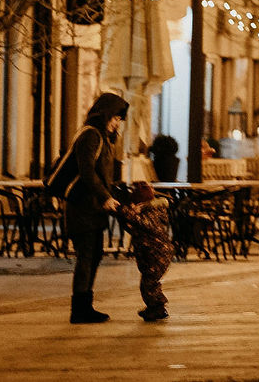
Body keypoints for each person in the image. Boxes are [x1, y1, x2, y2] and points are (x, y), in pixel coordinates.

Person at [56, 92, 129, 323]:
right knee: (86, 255)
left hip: (94, 208)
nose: (117, 123)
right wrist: (105, 197)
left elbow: (103, 175)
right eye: (115, 118)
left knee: (94, 254)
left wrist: (113, 194)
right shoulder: (90, 136)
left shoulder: (103, 138)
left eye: (119, 119)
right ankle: (79, 309)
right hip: (82, 207)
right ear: (104, 114)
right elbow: (87, 172)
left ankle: (85, 305)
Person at [120, 182, 174, 321]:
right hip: (152, 254)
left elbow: (144, 224)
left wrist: (125, 211)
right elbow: (135, 228)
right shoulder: (147, 213)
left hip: (157, 254)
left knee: (148, 283)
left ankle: (157, 308)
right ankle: (156, 307)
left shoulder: (150, 213)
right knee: (150, 282)